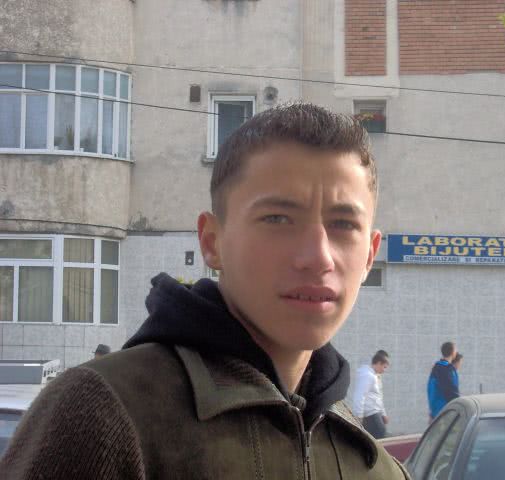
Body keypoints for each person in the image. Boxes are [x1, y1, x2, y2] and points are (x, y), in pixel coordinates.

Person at [0, 104, 409, 479]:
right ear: (212, 241)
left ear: (370, 254)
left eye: (343, 225)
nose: (317, 257)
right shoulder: (106, 414)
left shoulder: (376, 468)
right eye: (278, 219)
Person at [351, 350, 390, 439]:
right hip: (370, 414)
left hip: (375, 412)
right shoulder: (367, 375)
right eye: (384, 367)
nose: (384, 370)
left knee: (376, 436)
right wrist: (359, 416)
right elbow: (360, 396)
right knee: (380, 434)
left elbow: (378, 397)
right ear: (379, 363)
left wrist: (383, 414)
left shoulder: (376, 376)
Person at [427, 341, 460, 419]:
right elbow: (451, 391)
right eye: (455, 350)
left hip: (436, 411)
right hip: (444, 412)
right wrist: (459, 406)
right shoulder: (445, 369)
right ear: (452, 352)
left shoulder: (437, 367)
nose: (456, 352)